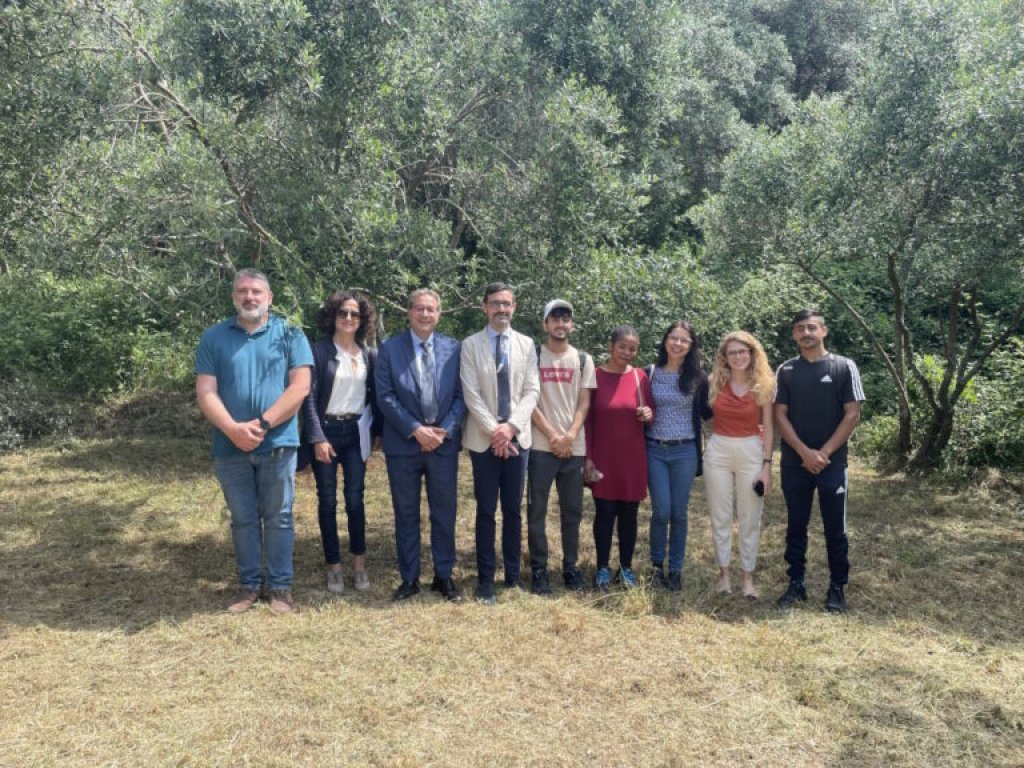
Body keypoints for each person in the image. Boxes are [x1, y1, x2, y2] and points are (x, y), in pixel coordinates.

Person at [195, 268, 313, 614]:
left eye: (256, 292)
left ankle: (280, 588)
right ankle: (248, 586)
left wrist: (262, 424)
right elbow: (206, 392)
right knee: (243, 518)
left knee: (279, 517)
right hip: (230, 447)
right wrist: (232, 428)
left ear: (269, 298)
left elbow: (300, 387)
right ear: (234, 297)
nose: (249, 297)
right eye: (243, 291)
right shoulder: (214, 337)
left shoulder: (290, 333)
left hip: (277, 443)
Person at [375, 288, 466, 602]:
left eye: (431, 309)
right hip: (403, 445)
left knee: (444, 512)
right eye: (419, 309)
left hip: (443, 445)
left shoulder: (454, 349)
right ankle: (410, 578)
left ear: (439, 313)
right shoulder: (389, 349)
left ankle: (444, 576)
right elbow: (384, 396)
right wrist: (416, 430)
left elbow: (461, 396)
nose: (425, 314)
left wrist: (444, 430)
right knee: (406, 513)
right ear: (409, 312)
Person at [774, 309, 864, 613]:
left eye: (811, 327)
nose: (806, 333)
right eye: (800, 329)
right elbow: (779, 415)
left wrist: (823, 453)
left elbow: (852, 414)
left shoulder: (843, 367)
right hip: (794, 464)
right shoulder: (785, 371)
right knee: (795, 526)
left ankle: (837, 587)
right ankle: (796, 583)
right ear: (794, 335)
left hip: (832, 465)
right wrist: (804, 452)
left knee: (835, 528)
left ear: (823, 330)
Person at [461, 282, 540, 604]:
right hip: (483, 441)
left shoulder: (526, 344)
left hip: (518, 439)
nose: (501, 309)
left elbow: (531, 391)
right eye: (495, 303)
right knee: (485, 511)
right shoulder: (470, 345)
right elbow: (470, 393)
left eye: (506, 304)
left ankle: (511, 576)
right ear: (484, 307)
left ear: (514, 307)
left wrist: (510, 429)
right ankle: (485, 580)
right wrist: (495, 430)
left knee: (512, 510)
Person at [300, 290, 381, 596]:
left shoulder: (369, 355)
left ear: (362, 320)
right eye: (343, 313)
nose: (349, 318)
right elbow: (307, 399)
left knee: (355, 499)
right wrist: (317, 437)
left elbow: (376, 399)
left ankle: (359, 564)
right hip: (327, 432)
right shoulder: (318, 352)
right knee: (328, 500)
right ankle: (334, 566)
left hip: (355, 433)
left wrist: (377, 434)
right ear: (333, 316)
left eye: (355, 314)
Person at [526, 299, 596, 595]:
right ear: (545, 325)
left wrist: (569, 436)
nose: (560, 324)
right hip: (541, 446)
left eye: (565, 319)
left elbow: (584, 402)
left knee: (572, 511)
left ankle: (570, 566)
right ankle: (539, 568)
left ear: (572, 325)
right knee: (537, 510)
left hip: (573, 448)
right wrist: (554, 436)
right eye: (554, 319)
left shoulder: (582, 359)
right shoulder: (532, 356)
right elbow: (528, 400)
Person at [704, 331, 776, 599]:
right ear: (725, 357)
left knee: (750, 518)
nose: (738, 357)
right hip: (719, 450)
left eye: (742, 351)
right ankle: (724, 576)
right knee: (720, 515)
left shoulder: (764, 384)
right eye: (732, 352)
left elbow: (768, 427)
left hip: (751, 450)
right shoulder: (714, 382)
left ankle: (747, 578)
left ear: (752, 353)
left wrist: (767, 465)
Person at [584, 325, 654, 591]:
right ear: (611, 345)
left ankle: (626, 568)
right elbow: (588, 421)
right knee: (604, 514)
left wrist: (649, 414)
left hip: (632, 459)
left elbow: (651, 413)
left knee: (629, 515)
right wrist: (588, 458)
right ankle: (602, 567)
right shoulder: (595, 376)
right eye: (623, 346)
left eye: (633, 348)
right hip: (603, 458)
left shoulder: (640, 377)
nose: (627, 352)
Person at [643, 321, 711, 591]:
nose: (678, 343)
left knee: (679, 513)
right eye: (674, 338)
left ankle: (676, 569)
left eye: (684, 340)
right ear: (665, 340)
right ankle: (656, 566)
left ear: (691, 346)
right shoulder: (649, 373)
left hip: (685, 450)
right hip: (654, 449)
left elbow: (708, 413)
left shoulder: (699, 378)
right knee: (661, 511)